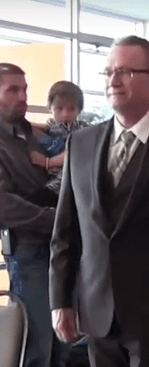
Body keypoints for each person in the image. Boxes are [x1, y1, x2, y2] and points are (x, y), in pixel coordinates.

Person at [49, 36, 149, 367]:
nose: (113, 81)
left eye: (125, 72)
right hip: (96, 308)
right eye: (108, 72)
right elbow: (66, 231)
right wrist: (60, 300)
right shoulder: (81, 143)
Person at [0, 63, 67, 367]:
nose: (23, 96)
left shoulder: (35, 133)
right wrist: (55, 219)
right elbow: (4, 204)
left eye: (24, 89)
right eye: (13, 90)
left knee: (67, 342)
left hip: (62, 249)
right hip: (28, 249)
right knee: (37, 343)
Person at [29, 81, 90, 194]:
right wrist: (24, 124)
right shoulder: (52, 124)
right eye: (59, 109)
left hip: (69, 176)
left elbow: (73, 151)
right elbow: (43, 128)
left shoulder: (80, 128)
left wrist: (48, 162)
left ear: (79, 110)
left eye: (71, 109)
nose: (65, 114)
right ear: (50, 109)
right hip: (51, 177)